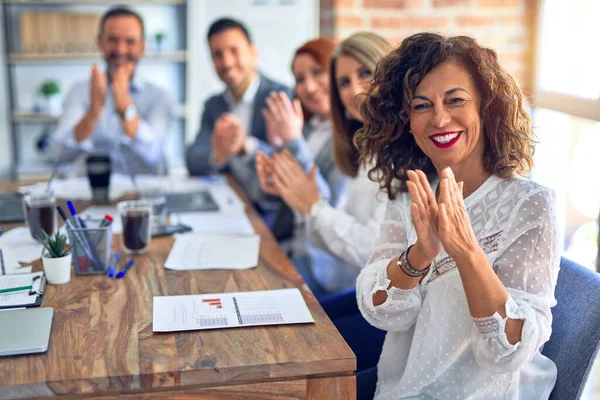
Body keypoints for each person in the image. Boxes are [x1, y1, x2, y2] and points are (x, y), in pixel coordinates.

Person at [353, 32, 559, 399]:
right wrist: (419, 256)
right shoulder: (408, 195)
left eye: (455, 100)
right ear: (407, 121)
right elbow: (383, 313)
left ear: (486, 105)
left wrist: (466, 252)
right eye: (421, 106)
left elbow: (506, 351)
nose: (440, 118)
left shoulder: (532, 204)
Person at [256, 32, 392, 297]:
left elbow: (328, 211)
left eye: (365, 73)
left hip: (341, 281)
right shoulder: (353, 141)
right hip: (327, 266)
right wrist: (288, 189)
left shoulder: (375, 146)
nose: (354, 90)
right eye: (344, 82)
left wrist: (310, 205)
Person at [185, 18, 292, 215]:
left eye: (234, 51)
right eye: (218, 54)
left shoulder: (280, 98)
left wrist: (246, 146)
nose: (226, 62)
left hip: (272, 214)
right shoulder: (213, 105)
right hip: (230, 208)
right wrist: (218, 155)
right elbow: (193, 159)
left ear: (253, 52)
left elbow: (291, 162)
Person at [53, 6, 174, 175]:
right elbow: (60, 154)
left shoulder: (160, 96)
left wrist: (125, 106)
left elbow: (154, 154)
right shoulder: (78, 91)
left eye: (130, 41)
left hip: (142, 196)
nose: (121, 50)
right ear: (100, 42)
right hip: (89, 195)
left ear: (142, 47)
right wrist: (93, 112)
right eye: (112, 40)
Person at [260, 38, 347, 256]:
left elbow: (325, 207)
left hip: (321, 261)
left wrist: (292, 141)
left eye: (318, 72)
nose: (308, 87)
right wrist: (278, 151)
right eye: (300, 79)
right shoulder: (308, 127)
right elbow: (278, 201)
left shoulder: (354, 137)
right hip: (290, 247)